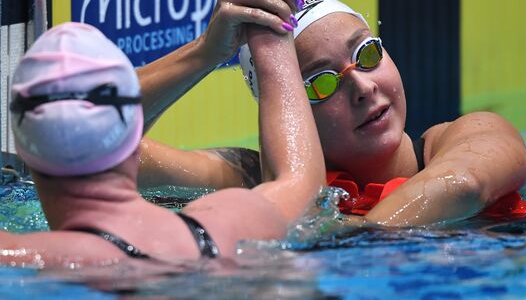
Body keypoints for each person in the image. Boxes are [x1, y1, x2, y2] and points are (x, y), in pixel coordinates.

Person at [136, 0, 526, 227]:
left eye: (367, 53)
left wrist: (332, 235)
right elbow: (94, 153)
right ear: (288, 108)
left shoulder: (468, 134)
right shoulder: (251, 179)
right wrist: (204, 53)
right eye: (323, 82)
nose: (361, 85)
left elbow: (463, 187)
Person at [2, 20, 325, 267]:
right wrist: (271, 23)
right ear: (136, 132)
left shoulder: (19, 257)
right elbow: (303, 185)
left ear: (21, 146)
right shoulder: (234, 222)